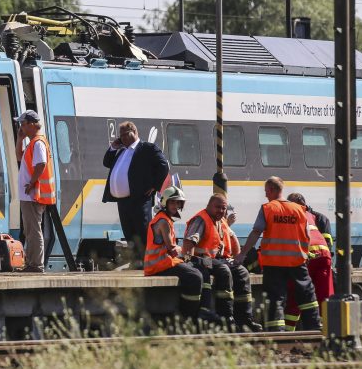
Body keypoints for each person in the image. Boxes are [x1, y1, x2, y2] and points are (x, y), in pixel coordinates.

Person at [236, 177, 320, 331]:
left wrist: (242, 254)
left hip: (273, 263)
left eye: (266, 191)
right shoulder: (299, 210)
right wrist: (304, 254)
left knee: (275, 298)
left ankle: (277, 332)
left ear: (272, 190)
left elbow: (256, 232)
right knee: (307, 295)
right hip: (297, 261)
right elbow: (307, 235)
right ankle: (313, 327)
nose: (266, 195)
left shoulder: (268, 208)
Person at [181, 194, 261, 331]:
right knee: (223, 270)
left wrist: (237, 258)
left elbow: (232, 239)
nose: (221, 211)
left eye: (223, 208)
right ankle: (226, 317)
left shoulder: (221, 221)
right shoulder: (201, 219)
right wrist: (189, 264)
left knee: (242, 272)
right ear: (209, 206)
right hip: (200, 259)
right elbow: (189, 243)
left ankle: (245, 318)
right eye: (218, 207)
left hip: (218, 260)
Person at [102, 121, 169, 263]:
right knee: (129, 232)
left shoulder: (146, 148)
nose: (123, 139)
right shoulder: (121, 151)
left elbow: (163, 165)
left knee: (142, 231)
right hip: (123, 201)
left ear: (134, 132)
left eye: (125, 135)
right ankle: (136, 261)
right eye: (121, 136)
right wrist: (114, 146)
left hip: (139, 199)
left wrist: (155, 185)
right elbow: (106, 162)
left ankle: (148, 261)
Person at [143, 186, 203, 320]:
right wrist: (189, 255)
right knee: (195, 276)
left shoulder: (165, 219)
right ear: (165, 203)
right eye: (172, 202)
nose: (176, 205)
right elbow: (172, 248)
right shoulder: (163, 221)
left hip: (164, 263)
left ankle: (197, 312)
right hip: (159, 265)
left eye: (178, 202)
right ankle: (188, 316)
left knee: (198, 270)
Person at [283, 193, 334, 330]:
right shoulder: (313, 216)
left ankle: (288, 331)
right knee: (324, 295)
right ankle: (328, 330)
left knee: (294, 293)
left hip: (307, 258)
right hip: (324, 257)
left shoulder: (292, 215)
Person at [13, 110, 55, 274]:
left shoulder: (38, 143)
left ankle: (36, 265)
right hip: (29, 195)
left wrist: (32, 183)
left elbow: (41, 164)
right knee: (29, 230)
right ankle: (32, 263)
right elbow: (19, 156)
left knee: (33, 230)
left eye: (23, 124)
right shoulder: (32, 143)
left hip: (33, 194)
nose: (21, 127)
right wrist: (19, 139)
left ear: (32, 124)